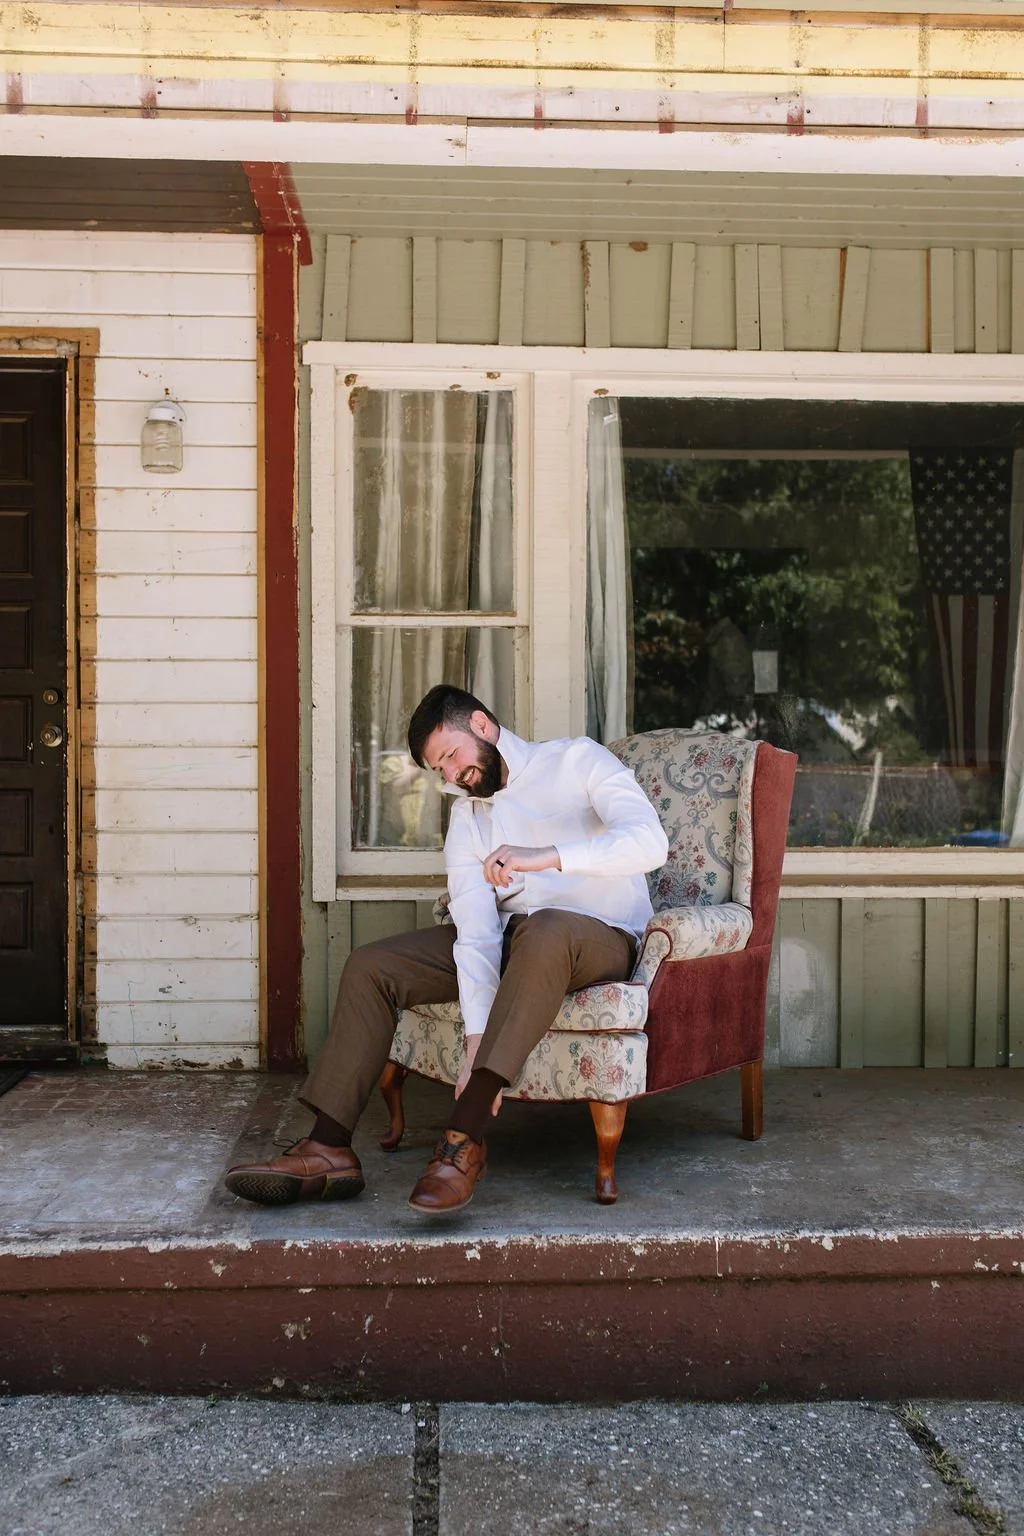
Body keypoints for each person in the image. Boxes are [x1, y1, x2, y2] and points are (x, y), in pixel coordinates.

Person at [225, 685, 669, 1215]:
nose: (454, 775)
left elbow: (649, 843)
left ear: (481, 725)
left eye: (452, 755)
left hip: (598, 935)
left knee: (545, 929)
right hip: (516, 940)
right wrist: (476, 1039)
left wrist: (544, 856)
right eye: (440, 769)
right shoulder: (468, 818)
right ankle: (328, 1148)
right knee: (373, 967)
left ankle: (463, 1140)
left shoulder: (577, 760)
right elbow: (477, 934)